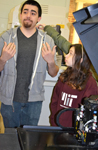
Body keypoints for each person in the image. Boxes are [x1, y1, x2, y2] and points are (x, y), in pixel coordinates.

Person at [0, 0, 59, 128]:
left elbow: (53, 73)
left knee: (29, 139)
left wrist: (51, 62)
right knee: (11, 139)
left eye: (33, 13)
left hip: (34, 102)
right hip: (9, 101)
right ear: (20, 15)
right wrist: (3, 59)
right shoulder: (6, 38)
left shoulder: (47, 41)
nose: (28, 15)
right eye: (25, 12)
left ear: (39, 18)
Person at [37, 24, 98, 89]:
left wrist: (47, 28)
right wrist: (47, 28)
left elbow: (61, 42)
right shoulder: (82, 53)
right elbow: (61, 41)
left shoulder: (90, 80)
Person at [50, 44, 98, 127]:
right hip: (58, 125)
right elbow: (54, 100)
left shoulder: (90, 83)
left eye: (70, 53)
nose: (66, 55)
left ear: (80, 60)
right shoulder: (64, 77)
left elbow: (89, 111)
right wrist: (54, 119)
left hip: (75, 130)